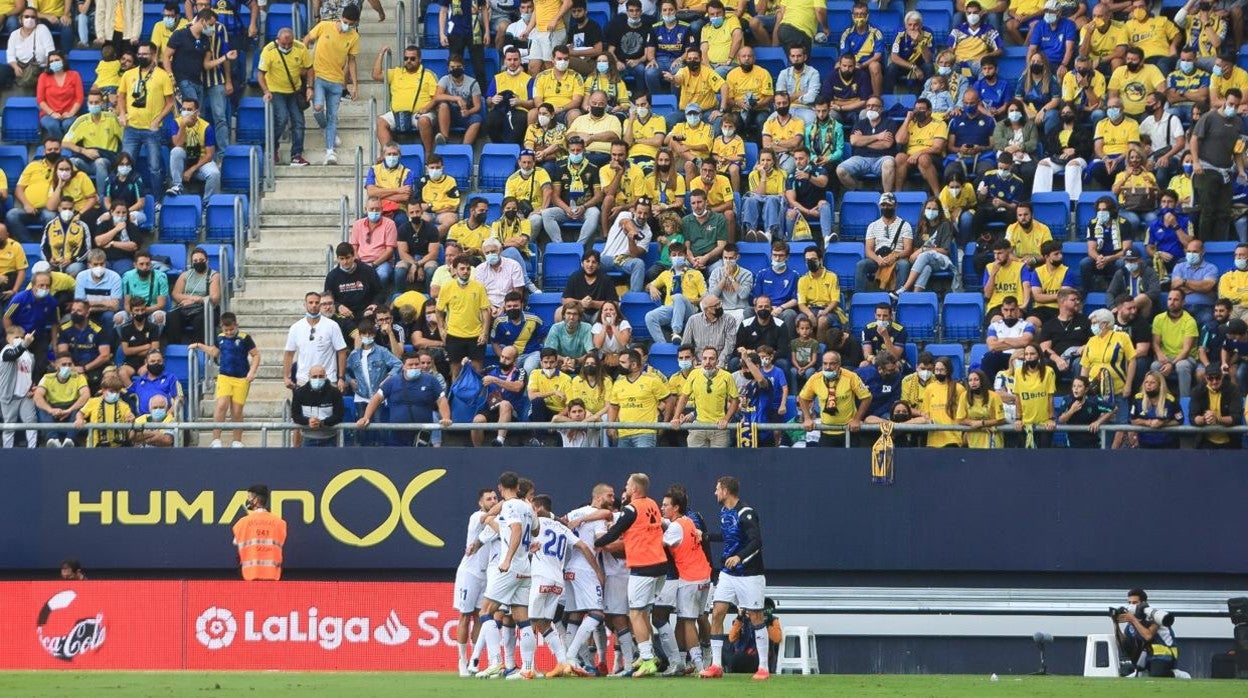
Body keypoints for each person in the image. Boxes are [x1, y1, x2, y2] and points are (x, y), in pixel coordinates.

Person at [592, 473, 675, 678]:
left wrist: (597, 543)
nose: (626, 487)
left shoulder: (631, 508)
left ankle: (647, 659)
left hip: (643, 565)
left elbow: (614, 533)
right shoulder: (653, 505)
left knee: (635, 613)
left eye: (628, 485)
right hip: (660, 566)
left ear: (635, 489)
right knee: (643, 612)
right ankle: (650, 654)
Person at [699, 475, 769, 680]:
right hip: (728, 573)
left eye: (717, 489)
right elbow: (729, 537)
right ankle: (716, 665)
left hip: (750, 574)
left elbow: (757, 542)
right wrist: (705, 536)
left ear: (726, 491)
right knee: (718, 612)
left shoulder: (746, 513)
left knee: (756, 616)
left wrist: (739, 557)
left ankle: (763, 667)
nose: (714, 492)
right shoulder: (724, 512)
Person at [472, 472, 538, 679]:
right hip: (526, 568)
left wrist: (507, 558)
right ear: (517, 486)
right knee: (522, 619)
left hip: (510, 566)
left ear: (500, 488)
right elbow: (535, 530)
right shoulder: (527, 506)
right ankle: (527, 668)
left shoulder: (510, 507)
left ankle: (496, 662)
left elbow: (516, 530)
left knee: (485, 611)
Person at [188, 311, 258, 448]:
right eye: (226, 330)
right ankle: (216, 439)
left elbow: (256, 355)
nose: (229, 333)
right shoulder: (220, 337)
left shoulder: (245, 338)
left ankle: (237, 440)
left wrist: (252, 371)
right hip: (224, 376)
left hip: (241, 378)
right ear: (222, 328)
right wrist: (199, 345)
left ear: (236, 325)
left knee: (237, 411)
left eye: (231, 329)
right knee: (221, 405)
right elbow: (214, 352)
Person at [303, 5, 361, 165]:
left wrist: (355, 85)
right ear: (340, 18)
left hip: (337, 80)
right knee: (318, 108)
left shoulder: (354, 37)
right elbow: (307, 39)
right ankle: (326, 129)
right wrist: (305, 60)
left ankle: (330, 152)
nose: (346, 26)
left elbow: (352, 61)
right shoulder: (324, 26)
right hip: (319, 76)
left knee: (332, 117)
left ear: (355, 23)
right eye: (345, 22)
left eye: (350, 23)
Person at [356, 350, 453, 445]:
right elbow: (376, 399)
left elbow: (441, 400)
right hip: (397, 433)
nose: (414, 367)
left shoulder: (431, 380)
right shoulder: (392, 381)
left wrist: (446, 418)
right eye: (410, 365)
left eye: (417, 364)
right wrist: (366, 417)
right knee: (397, 460)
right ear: (403, 366)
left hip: (422, 434)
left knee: (421, 460)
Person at [117, 42, 175, 188]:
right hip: (131, 128)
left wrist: (158, 119)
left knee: (154, 168)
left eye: (145, 54)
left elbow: (170, 102)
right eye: (139, 54)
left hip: (152, 130)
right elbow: (121, 96)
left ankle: (157, 201)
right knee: (125, 166)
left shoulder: (162, 76)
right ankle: (126, 201)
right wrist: (122, 114)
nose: (141, 57)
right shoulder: (129, 74)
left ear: (154, 55)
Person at [258, 28, 312, 166]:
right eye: (283, 44)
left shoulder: (300, 48)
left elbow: (310, 68)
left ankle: (297, 154)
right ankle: (272, 147)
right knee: (281, 118)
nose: (287, 47)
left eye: (289, 44)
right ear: (278, 40)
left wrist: (309, 87)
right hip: (275, 90)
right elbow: (260, 74)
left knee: (299, 122)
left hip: (294, 90)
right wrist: (266, 91)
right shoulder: (269, 50)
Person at [799, 350, 872, 447]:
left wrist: (857, 419)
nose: (828, 367)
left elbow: (867, 397)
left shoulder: (851, 377)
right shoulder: (815, 379)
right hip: (826, 431)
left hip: (849, 430)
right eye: (825, 363)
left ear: (839, 364)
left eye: (832, 364)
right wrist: (807, 418)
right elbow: (802, 398)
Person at [437, 256, 492, 380]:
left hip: (476, 335)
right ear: (455, 270)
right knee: (455, 371)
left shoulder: (479, 287)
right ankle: (455, 398)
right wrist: (441, 329)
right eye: (462, 268)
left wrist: (485, 332)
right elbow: (439, 311)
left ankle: (477, 398)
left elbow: (485, 311)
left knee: (477, 370)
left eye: (468, 269)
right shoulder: (447, 287)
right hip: (454, 335)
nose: (465, 271)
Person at [669, 346, 737, 446]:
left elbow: (735, 401)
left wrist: (726, 419)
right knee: (695, 460)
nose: (707, 362)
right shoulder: (694, 374)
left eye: (711, 359)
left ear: (717, 361)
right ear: (701, 360)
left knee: (719, 461)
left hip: (719, 428)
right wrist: (676, 417)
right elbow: (684, 397)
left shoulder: (727, 376)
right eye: (705, 358)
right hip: (698, 426)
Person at [282, 292, 348, 393]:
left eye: (317, 302)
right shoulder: (296, 327)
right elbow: (289, 353)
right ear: (305, 304)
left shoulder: (332, 325)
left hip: (328, 380)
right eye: (310, 302)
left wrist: (341, 377)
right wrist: (286, 377)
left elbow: (342, 351)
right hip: (303, 381)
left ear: (320, 305)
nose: (314, 305)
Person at [608, 348, 671, 447]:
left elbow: (670, 400)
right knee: (624, 463)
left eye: (623, 362)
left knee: (643, 462)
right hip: (623, 433)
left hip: (645, 433)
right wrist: (611, 426)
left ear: (633, 365)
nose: (619, 365)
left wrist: (665, 423)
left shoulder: (652, 381)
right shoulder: (618, 383)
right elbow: (613, 407)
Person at [645, 241, 704, 343]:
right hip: (671, 309)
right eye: (674, 255)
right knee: (650, 316)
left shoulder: (696, 273)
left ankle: (676, 332)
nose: (677, 257)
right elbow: (647, 286)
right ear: (669, 257)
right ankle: (663, 346)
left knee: (678, 297)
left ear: (685, 256)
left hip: (689, 309)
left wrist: (691, 301)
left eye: (680, 254)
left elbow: (705, 298)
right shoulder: (665, 274)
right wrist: (651, 287)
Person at [3, 271, 60, 378]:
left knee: (40, 366)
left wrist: (54, 343)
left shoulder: (52, 302)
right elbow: (6, 317)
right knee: (19, 365)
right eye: (41, 285)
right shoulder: (19, 299)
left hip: (38, 337)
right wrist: (11, 336)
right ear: (33, 286)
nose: (44, 288)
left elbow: (54, 324)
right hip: (19, 336)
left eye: (47, 285)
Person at [836, 95, 896, 192]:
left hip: (881, 158)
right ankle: (858, 191)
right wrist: (877, 137)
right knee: (840, 170)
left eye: (874, 105)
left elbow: (886, 145)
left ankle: (886, 195)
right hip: (860, 158)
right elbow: (854, 141)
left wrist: (862, 141)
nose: (870, 108)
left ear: (881, 109)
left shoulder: (889, 123)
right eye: (868, 106)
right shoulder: (860, 123)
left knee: (889, 163)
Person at [855, 192, 913, 292]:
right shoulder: (872, 225)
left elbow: (908, 249)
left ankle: (898, 296)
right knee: (861, 265)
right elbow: (868, 250)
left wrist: (895, 257)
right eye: (883, 205)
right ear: (879, 206)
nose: (886, 207)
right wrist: (878, 260)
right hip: (878, 258)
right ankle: (860, 297)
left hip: (897, 257)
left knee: (904, 265)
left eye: (889, 205)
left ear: (895, 206)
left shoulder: (905, 225)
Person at [165, 97, 220, 200]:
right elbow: (177, 143)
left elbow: (209, 155)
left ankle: (207, 203)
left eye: (189, 110)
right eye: (184, 109)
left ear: (196, 112)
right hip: (184, 161)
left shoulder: (206, 127)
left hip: (201, 161)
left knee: (215, 174)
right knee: (176, 151)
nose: (186, 112)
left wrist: (191, 170)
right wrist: (183, 126)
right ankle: (177, 186)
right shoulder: (177, 123)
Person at [32, 351, 88, 447]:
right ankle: (53, 439)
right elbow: (37, 396)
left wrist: (69, 410)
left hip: (72, 407)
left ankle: (69, 440)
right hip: (53, 408)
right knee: (41, 406)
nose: (67, 367)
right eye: (64, 364)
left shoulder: (79, 377)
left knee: (81, 407)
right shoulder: (47, 377)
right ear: (56, 366)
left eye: (70, 364)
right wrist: (51, 410)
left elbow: (86, 395)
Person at [231, 485, 287, 580]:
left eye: (249, 497)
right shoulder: (280, 523)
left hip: (249, 577)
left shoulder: (241, 524)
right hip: (273, 577)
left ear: (256, 500)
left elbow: (236, 545)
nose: (247, 501)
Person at [1151, 288, 1200, 397]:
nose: (1171, 302)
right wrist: (1159, 354)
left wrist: (1171, 364)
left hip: (1186, 358)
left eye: (1176, 300)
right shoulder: (1159, 319)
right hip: (1166, 356)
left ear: (1183, 302)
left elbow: (1186, 350)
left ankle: (1184, 400)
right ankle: (1160, 400)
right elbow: (1155, 343)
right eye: (1169, 299)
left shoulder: (1190, 321)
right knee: (1155, 366)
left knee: (1182, 366)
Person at [910, 356, 966, 448]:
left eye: (942, 370)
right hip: (933, 440)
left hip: (953, 439)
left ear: (948, 370)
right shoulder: (929, 388)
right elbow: (926, 413)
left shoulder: (959, 388)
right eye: (936, 370)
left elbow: (964, 413)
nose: (939, 372)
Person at [1189, 364, 1244, 448]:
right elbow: (1193, 417)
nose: (1214, 381)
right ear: (1205, 378)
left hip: (1231, 441)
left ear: (1222, 376)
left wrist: (1218, 419)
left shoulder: (1233, 390)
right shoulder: (1197, 391)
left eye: (1217, 377)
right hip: (1206, 441)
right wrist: (1204, 419)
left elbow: (1237, 417)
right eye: (1210, 378)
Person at [289, 363, 344, 446]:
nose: (318, 379)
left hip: (330, 439)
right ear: (309, 377)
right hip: (307, 439)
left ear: (325, 376)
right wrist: (308, 421)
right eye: (314, 376)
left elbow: (339, 415)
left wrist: (322, 423)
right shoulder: (299, 393)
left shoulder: (335, 393)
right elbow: (295, 415)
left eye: (321, 376)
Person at [1, 325, 37, 449]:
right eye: (16, 337)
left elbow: (32, 374)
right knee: (9, 426)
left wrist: (32, 387)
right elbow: (13, 355)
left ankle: (32, 449)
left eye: (21, 337)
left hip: (25, 396)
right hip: (9, 395)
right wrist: (24, 344)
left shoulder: (30, 356)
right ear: (8, 338)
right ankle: (7, 451)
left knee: (31, 423)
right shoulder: (6, 350)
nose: (19, 339)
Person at [1128, 369, 1184, 448]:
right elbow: (1132, 419)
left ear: (1160, 385)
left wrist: (1163, 423)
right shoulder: (1138, 399)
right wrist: (1148, 422)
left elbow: (1179, 420)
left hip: (1168, 445)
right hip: (1145, 445)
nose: (1148, 385)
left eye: (1152, 382)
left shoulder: (1170, 400)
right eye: (1146, 382)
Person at [962, 368, 1006, 448]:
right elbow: (960, 419)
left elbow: (1001, 419)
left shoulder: (994, 396)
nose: (973, 383)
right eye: (970, 380)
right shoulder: (964, 396)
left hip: (993, 441)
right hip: (974, 441)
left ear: (982, 380)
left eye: (976, 380)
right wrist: (972, 423)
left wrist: (982, 423)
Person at [1220, 243, 1248, 321]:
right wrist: (1244, 295)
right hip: (1232, 309)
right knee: (1230, 327)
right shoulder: (1226, 276)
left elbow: (1230, 295)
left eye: (1242, 255)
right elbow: (1224, 295)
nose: (1238, 257)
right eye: (1236, 255)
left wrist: (1235, 292)